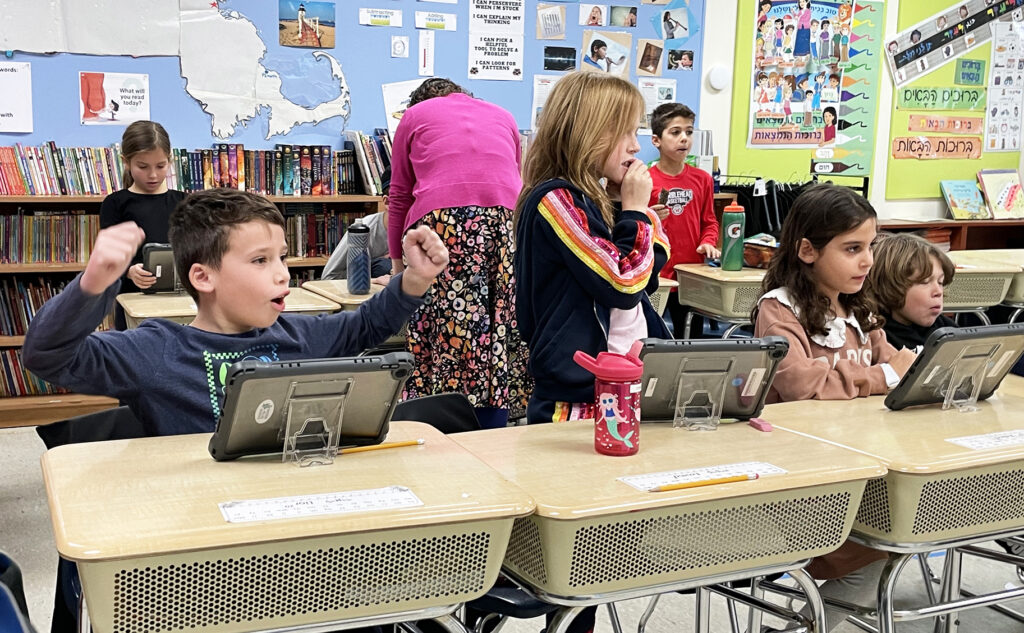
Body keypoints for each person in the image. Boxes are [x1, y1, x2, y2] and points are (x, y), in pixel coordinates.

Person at [23, 188, 448, 436]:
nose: (283, 275)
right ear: (204, 278)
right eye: (260, 261)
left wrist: (413, 280)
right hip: (205, 531)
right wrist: (92, 285)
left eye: (282, 257)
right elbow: (47, 357)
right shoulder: (156, 351)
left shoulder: (300, 335)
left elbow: (367, 324)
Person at [751, 184, 916, 632]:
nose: (868, 261)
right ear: (807, 250)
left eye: (871, 247)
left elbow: (893, 363)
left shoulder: (860, 308)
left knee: (900, 536)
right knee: (883, 545)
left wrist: (902, 371)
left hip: (861, 465)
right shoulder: (779, 309)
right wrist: (881, 378)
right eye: (852, 249)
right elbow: (801, 383)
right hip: (806, 482)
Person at [387, 77, 531, 427]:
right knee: (501, 324)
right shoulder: (504, 115)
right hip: (508, 222)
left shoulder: (414, 115)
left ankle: (437, 419)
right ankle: (496, 421)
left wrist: (396, 265)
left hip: (444, 224)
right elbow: (515, 178)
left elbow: (400, 194)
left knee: (446, 328)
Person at [99, 120, 186, 330]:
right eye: (143, 167)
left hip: (180, 303)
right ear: (126, 162)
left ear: (170, 160)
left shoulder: (184, 202)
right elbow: (108, 258)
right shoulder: (115, 203)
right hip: (133, 303)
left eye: (160, 166)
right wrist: (129, 271)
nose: (153, 175)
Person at [647, 102, 719, 339]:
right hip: (656, 274)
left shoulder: (703, 179)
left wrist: (708, 241)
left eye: (689, 132)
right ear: (656, 140)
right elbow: (633, 226)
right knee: (651, 337)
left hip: (690, 273)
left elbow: (709, 221)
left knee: (690, 337)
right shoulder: (644, 179)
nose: (684, 139)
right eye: (675, 132)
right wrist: (651, 217)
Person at [866, 233, 955, 352]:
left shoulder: (947, 330)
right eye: (925, 282)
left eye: (940, 282)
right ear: (889, 286)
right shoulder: (877, 339)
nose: (938, 292)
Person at [321, 167, 393, 282]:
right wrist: (373, 281)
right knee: (383, 267)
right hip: (365, 292)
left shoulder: (423, 227)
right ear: (388, 202)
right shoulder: (363, 229)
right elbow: (329, 278)